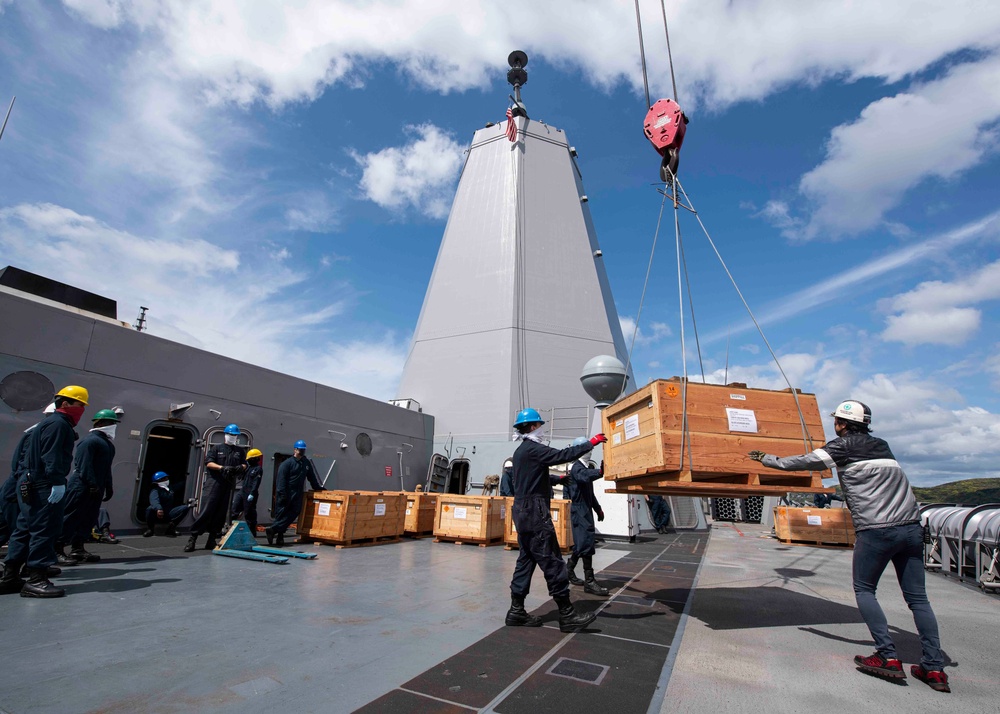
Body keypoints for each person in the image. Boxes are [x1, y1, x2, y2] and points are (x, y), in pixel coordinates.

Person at [749, 399, 950, 693]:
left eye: (836, 421)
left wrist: (768, 459)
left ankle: (887, 655)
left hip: (876, 531)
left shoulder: (841, 447)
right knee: (918, 600)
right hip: (911, 529)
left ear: (841, 424)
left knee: (865, 590)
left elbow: (803, 462)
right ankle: (934, 669)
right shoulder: (883, 446)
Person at [505, 408, 605, 633]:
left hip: (522, 512)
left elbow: (532, 477)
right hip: (535, 512)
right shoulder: (534, 449)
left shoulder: (521, 452)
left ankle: (516, 610)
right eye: (539, 426)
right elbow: (561, 455)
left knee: (526, 560)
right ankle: (567, 614)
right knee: (552, 560)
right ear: (532, 427)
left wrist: (558, 479)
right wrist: (591, 443)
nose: (541, 430)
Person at [1, 385, 88, 598]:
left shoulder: (44, 424)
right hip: (44, 485)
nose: (82, 409)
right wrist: (57, 482)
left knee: (23, 529)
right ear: (65, 403)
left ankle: (10, 576)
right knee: (44, 529)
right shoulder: (59, 425)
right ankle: (37, 579)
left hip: (30, 483)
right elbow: (53, 456)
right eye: (80, 404)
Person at [57, 408, 119, 565]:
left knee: (88, 518)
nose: (113, 425)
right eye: (110, 422)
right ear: (100, 423)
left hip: (96, 487)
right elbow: (84, 466)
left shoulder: (108, 445)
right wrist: (91, 484)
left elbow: (106, 468)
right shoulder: (90, 441)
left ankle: (78, 548)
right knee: (70, 517)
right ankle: (56, 549)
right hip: (81, 486)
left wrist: (108, 485)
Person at [185, 424, 246, 552]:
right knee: (207, 510)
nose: (233, 437)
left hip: (228, 485)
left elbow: (244, 464)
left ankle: (212, 539)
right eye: (231, 435)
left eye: (235, 435)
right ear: (225, 435)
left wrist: (241, 467)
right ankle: (193, 538)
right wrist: (222, 467)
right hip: (214, 483)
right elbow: (209, 462)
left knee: (220, 513)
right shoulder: (216, 448)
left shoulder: (239, 451)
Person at [563, 438, 609, 597]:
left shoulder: (585, 466)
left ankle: (568, 571)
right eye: (586, 448)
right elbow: (583, 477)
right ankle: (589, 582)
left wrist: (598, 509)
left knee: (580, 544)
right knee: (586, 542)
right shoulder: (577, 468)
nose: (590, 451)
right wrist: (600, 472)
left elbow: (590, 492)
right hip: (579, 510)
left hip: (585, 508)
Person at [266, 440, 322, 547]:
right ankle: (279, 537)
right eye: (300, 449)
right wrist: (282, 494)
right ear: (295, 450)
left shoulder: (306, 463)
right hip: (285, 492)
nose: (302, 451)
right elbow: (281, 481)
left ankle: (273, 529)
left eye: (303, 450)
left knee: (295, 511)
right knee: (281, 514)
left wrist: (318, 488)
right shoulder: (287, 464)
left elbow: (312, 477)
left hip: (297, 493)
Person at [144, 472, 190, 536]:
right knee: (149, 509)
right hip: (158, 513)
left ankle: (171, 528)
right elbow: (154, 501)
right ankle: (150, 529)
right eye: (165, 478)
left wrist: (187, 478)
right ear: (159, 480)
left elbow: (179, 485)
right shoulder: (155, 490)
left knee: (185, 508)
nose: (167, 480)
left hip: (169, 512)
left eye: (167, 478)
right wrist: (159, 509)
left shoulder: (170, 489)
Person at [230, 448, 263, 534]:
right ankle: (230, 528)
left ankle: (252, 532)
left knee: (249, 513)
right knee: (235, 508)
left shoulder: (258, 469)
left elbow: (256, 482)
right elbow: (241, 477)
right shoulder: (248, 468)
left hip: (250, 492)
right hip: (243, 491)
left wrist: (252, 493)